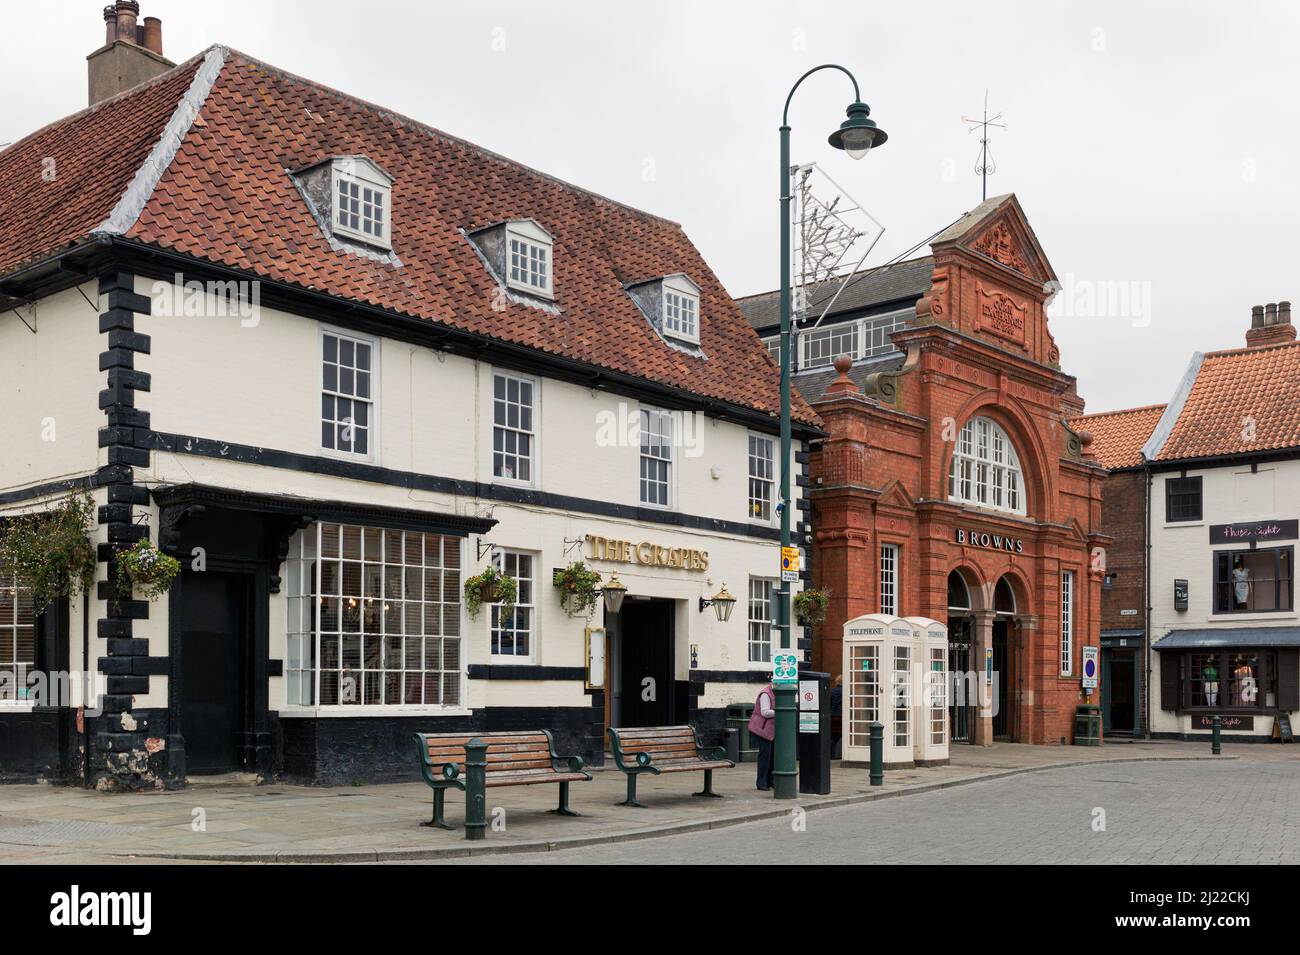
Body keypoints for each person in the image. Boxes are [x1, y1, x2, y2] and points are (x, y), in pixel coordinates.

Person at [748, 677, 776, 791]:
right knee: (765, 756)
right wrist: (780, 710)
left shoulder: (775, 693)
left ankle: (770, 781)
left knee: (772, 756)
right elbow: (765, 712)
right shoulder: (766, 693)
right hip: (762, 730)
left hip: (771, 730)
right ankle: (761, 782)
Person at [829, 674, 844, 759]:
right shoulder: (846, 691)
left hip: (833, 716)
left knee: (833, 736)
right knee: (842, 735)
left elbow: (829, 703)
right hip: (843, 716)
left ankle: (831, 754)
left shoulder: (832, 691)